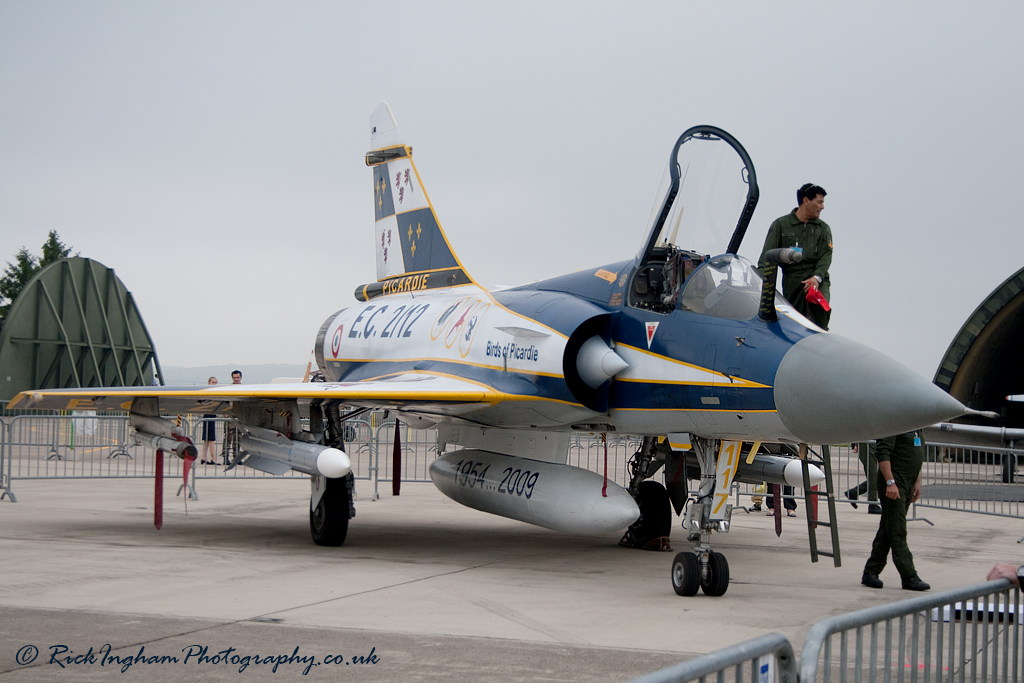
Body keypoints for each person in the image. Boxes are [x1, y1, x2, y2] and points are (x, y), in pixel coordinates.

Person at [861, 430, 930, 591]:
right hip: (894, 483)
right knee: (897, 529)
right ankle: (909, 575)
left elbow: (915, 456)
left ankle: (871, 571)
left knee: (888, 528)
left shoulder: (916, 427)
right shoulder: (897, 424)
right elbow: (883, 452)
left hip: (908, 483)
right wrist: (890, 482)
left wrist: (916, 482)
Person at [757, 183, 832, 330]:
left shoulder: (823, 229)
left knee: (820, 317)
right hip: (793, 280)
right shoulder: (781, 225)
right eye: (819, 202)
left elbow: (826, 257)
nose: (822, 207)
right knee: (795, 324)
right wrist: (758, 282)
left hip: (817, 278)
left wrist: (816, 278)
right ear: (806, 201)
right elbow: (767, 256)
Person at [221, 370, 242, 465]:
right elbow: (224, 402)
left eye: (238, 377)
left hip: (240, 417)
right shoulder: (228, 389)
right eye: (234, 378)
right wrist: (225, 412)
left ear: (241, 377)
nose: (236, 379)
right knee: (228, 438)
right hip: (230, 416)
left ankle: (236, 457)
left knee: (238, 438)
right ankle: (225, 456)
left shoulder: (244, 389)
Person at [200, 377, 218, 465]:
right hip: (208, 416)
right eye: (213, 382)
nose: (214, 384)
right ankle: (213, 458)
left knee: (207, 439)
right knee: (210, 439)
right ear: (209, 383)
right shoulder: (207, 393)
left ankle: (204, 457)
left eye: (215, 382)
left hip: (211, 416)